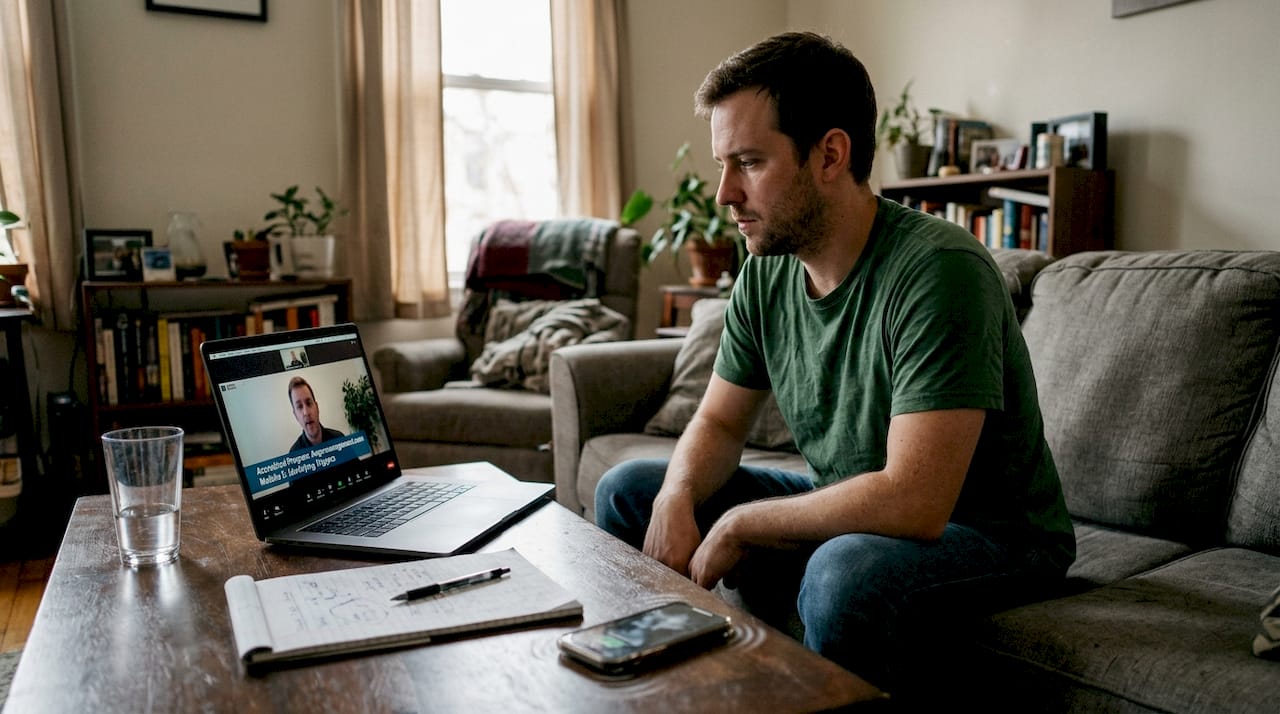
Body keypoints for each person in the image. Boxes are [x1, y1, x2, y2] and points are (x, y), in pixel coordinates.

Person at [594, 31, 1075, 693]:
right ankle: (682, 699)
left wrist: (739, 521)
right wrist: (679, 495)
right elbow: (720, 425)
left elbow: (915, 499)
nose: (723, 193)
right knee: (632, 492)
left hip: (994, 535)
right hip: (859, 505)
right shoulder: (766, 274)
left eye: (749, 162)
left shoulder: (939, 270)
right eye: (722, 165)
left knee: (842, 573)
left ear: (830, 155)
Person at [287, 376, 343, 451]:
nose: (306, 412)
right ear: (296, 416)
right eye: (299, 406)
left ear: (317, 407)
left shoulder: (339, 438)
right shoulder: (294, 455)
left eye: (309, 403)